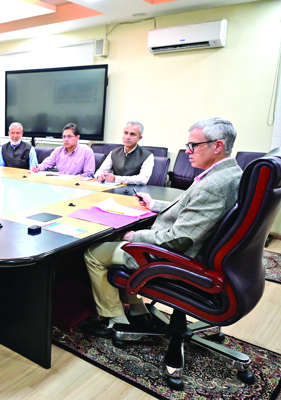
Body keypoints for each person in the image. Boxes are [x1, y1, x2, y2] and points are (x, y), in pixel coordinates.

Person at [81, 118, 242, 337]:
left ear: (218, 146)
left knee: (94, 253)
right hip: (198, 252)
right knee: (117, 238)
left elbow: (179, 239)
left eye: (193, 145)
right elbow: (190, 208)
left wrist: (135, 236)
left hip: (174, 258)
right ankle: (137, 310)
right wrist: (154, 205)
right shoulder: (229, 173)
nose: (187, 151)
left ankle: (116, 321)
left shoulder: (213, 185)